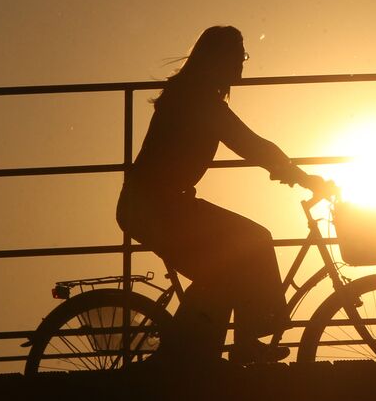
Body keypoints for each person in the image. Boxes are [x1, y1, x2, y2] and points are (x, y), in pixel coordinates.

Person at [117, 26, 331, 365]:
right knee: (253, 241)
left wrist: (292, 173)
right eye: (238, 56)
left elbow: (251, 145)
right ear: (218, 60)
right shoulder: (200, 101)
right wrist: (302, 177)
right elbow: (251, 144)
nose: (242, 64)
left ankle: (199, 355)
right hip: (159, 207)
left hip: (156, 205)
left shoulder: (191, 95)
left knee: (223, 269)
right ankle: (238, 344)